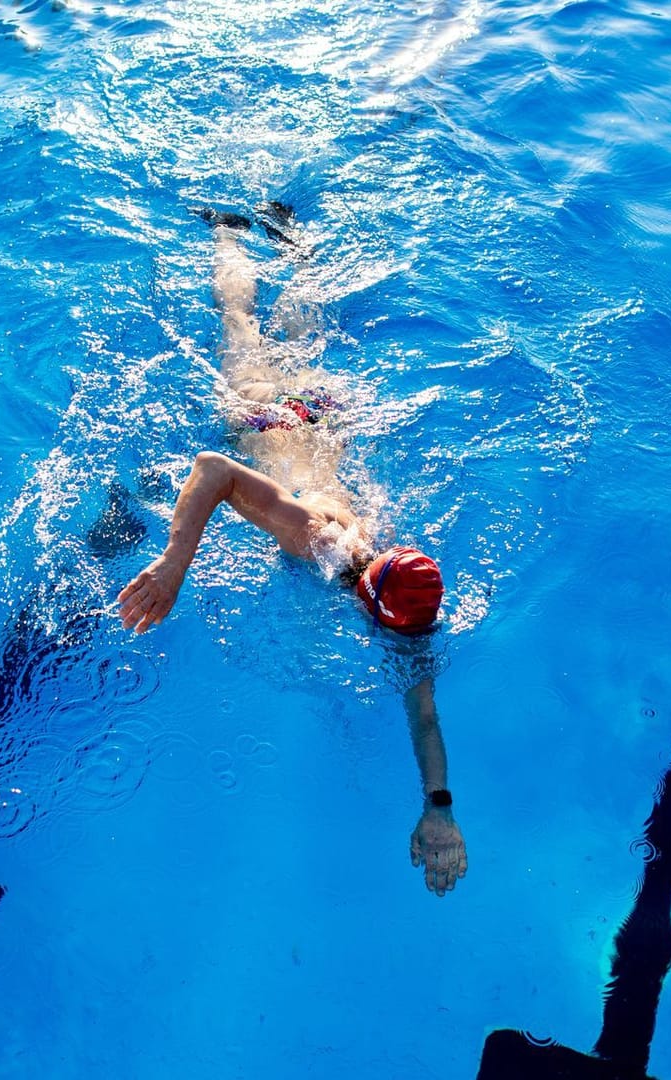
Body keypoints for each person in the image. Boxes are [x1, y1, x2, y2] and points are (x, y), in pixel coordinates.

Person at [116, 206, 467, 896]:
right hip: (265, 418)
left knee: (300, 331)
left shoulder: (386, 581)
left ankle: (292, 242)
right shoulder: (316, 541)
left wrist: (439, 808)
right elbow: (213, 469)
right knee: (240, 324)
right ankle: (226, 232)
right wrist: (172, 564)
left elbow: (424, 714)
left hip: (320, 416)